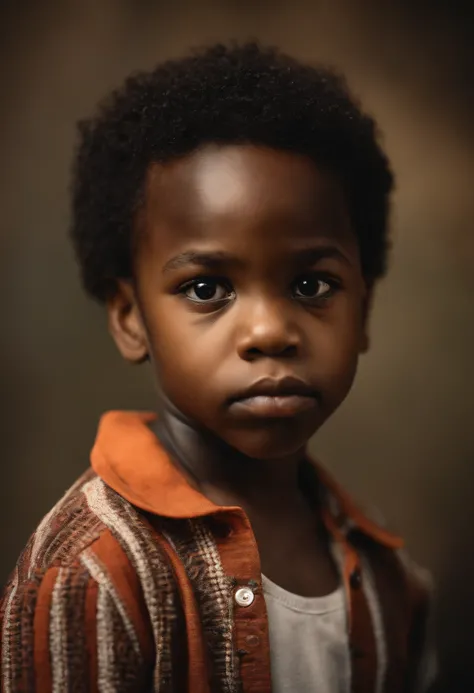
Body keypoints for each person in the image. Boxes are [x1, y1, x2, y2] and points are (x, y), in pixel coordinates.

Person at [0, 42, 436, 692]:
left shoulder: (389, 579)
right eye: (208, 289)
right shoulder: (93, 572)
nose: (269, 332)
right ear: (129, 317)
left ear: (364, 309)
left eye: (312, 284)